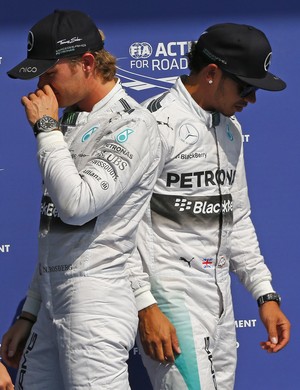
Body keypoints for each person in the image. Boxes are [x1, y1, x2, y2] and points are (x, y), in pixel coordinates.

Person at [0, 9, 161, 390]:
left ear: (87, 63)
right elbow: (54, 231)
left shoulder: (131, 124)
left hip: (95, 303)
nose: (41, 84)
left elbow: (76, 206)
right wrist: (29, 312)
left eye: (49, 72)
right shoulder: (71, 122)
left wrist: (45, 128)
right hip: (52, 304)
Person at [128, 23, 291, 389]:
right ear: (212, 73)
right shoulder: (151, 124)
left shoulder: (229, 131)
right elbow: (116, 226)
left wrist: (264, 293)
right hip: (169, 298)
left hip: (220, 301)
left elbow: (238, 219)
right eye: (246, 87)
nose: (251, 99)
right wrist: (145, 304)